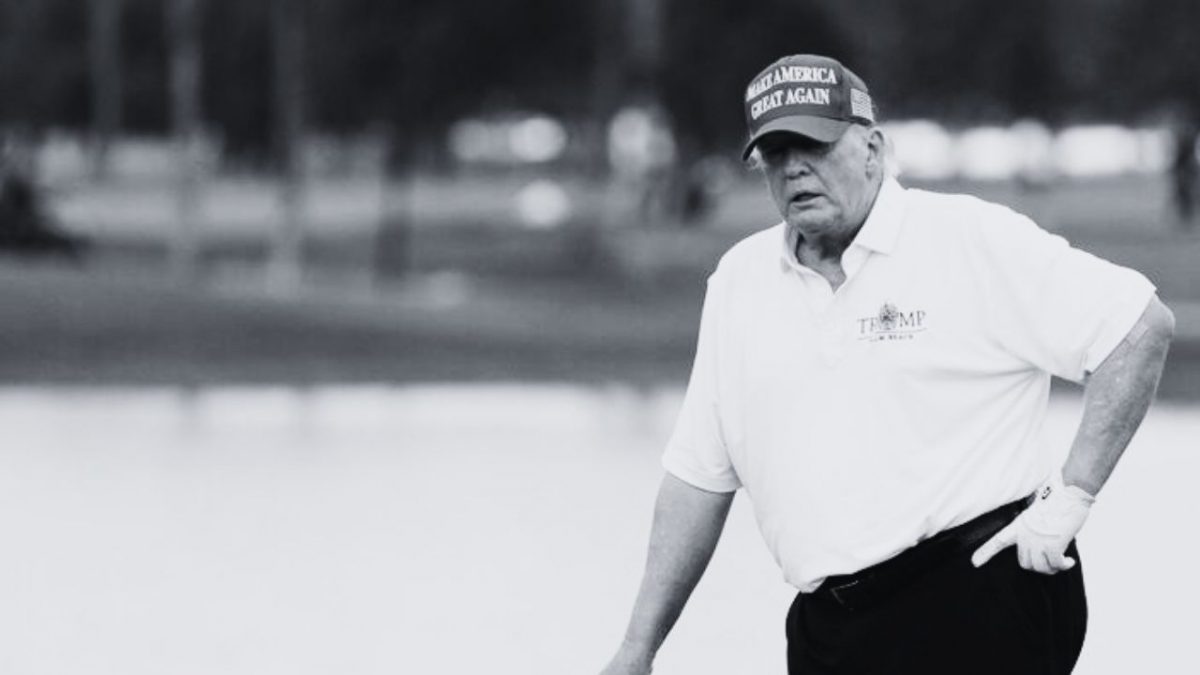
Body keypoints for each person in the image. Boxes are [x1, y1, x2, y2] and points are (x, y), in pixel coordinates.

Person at [600, 54, 1175, 675]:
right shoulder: (740, 280)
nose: (794, 168)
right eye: (776, 152)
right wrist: (638, 647)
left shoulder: (965, 237)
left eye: (815, 146)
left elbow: (1138, 327)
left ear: (873, 148)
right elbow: (698, 477)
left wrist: (1071, 498)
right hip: (828, 627)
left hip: (976, 597)